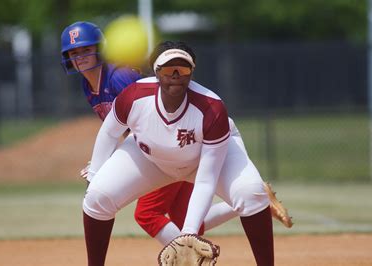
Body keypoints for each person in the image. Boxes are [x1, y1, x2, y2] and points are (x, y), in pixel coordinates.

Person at [83, 40, 276, 265]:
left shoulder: (211, 108)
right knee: (97, 198)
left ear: (192, 73)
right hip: (151, 158)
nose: (175, 74)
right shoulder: (135, 96)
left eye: (182, 68)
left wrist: (188, 234)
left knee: (251, 193)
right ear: (156, 72)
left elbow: (206, 180)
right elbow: (109, 132)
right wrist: (94, 175)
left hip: (202, 159)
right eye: (167, 68)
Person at [60, 21, 244, 245]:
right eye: (73, 52)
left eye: (86, 49)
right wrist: (102, 160)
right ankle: (247, 202)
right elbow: (120, 130)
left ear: (101, 48)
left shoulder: (119, 77)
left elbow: (151, 113)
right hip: (152, 147)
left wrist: (106, 164)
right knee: (185, 219)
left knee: (147, 214)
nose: (79, 56)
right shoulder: (87, 85)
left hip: (170, 144)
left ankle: (186, 255)